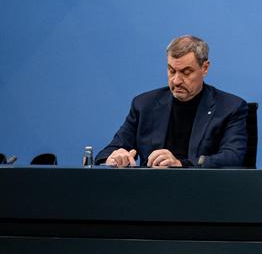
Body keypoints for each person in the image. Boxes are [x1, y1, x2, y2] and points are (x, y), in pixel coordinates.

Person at [96, 35, 248, 168]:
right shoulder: (144, 105)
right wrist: (114, 157)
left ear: (205, 68)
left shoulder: (230, 108)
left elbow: (232, 157)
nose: (176, 80)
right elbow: (109, 151)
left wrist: (180, 164)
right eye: (171, 71)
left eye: (186, 72)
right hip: (150, 188)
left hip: (203, 188)